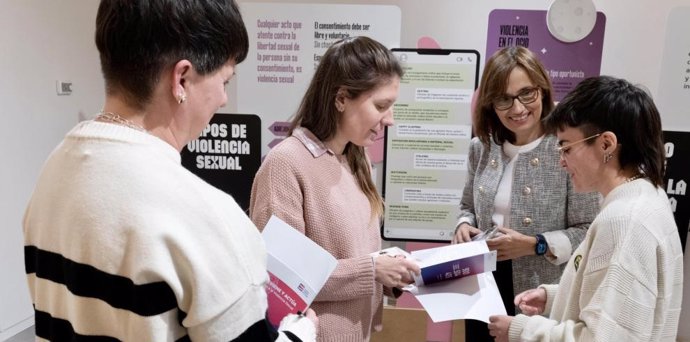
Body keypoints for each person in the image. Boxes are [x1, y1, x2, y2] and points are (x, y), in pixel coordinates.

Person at [23, 1, 317, 341]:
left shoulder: (53, 170)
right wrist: (300, 334)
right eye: (225, 80)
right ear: (182, 79)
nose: (223, 99)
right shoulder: (208, 216)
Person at [249, 36, 421, 342]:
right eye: (381, 105)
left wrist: (390, 274)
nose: (390, 119)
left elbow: (354, 255)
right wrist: (372, 271)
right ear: (341, 98)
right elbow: (278, 279)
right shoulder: (285, 164)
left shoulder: (357, 159)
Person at [487, 75, 684, 342]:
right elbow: (619, 305)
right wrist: (555, 296)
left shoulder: (624, 221)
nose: (562, 161)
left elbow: (603, 337)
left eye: (566, 147)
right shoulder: (648, 195)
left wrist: (521, 329)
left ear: (606, 144)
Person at [452, 46, 600, 341]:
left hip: (539, 291)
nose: (517, 108)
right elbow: (467, 206)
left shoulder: (566, 148)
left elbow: (587, 230)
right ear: (490, 104)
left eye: (526, 94)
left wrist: (537, 245)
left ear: (543, 91)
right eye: (504, 99)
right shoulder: (481, 147)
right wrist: (463, 225)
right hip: (482, 284)